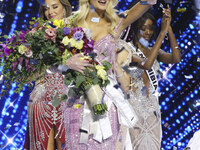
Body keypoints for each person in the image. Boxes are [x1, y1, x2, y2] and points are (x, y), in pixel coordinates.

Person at [61, 0, 158, 149]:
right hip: (76, 102)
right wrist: (67, 62)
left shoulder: (118, 22)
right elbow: (47, 60)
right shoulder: (70, 23)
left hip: (106, 102)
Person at [116, 6, 181, 150]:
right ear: (135, 29)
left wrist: (168, 27)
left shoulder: (154, 51)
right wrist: (162, 33)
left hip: (152, 111)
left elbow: (176, 58)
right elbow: (147, 64)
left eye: (151, 28)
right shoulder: (126, 50)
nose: (148, 32)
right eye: (143, 28)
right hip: (134, 109)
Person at [23, 0, 84, 149]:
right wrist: (43, 61)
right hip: (42, 100)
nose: (50, 12)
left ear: (65, 7)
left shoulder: (77, 34)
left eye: (55, 7)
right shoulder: (35, 35)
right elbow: (25, 78)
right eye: (46, 9)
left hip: (69, 100)